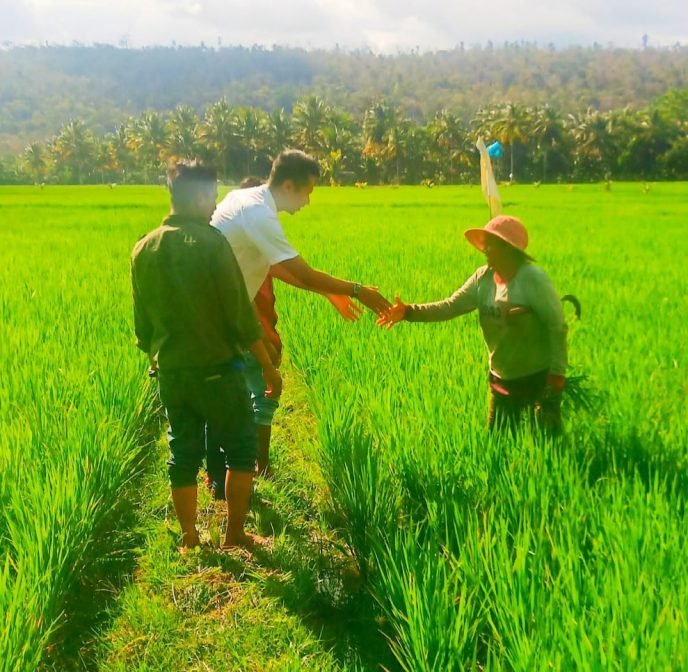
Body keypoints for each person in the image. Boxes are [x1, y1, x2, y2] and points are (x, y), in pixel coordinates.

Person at [205, 151, 391, 496]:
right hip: (217, 321)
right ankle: (232, 497)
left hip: (218, 314)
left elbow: (273, 265)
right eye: (307, 192)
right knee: (231, 405)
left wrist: (325, 292)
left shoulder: (245, 199)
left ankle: (220, 479)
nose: (308, 201)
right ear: (288, 185)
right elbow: (300, 270)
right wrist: (356, 289)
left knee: (224, 399)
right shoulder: (258, 212)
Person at [131, 160, 282, 550]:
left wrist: (157, 358)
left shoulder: (144, 248)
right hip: (218, 369)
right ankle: (234, 535)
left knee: (182, 451)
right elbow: (239, 313)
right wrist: (266, 365)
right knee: (241, 449)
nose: (215, 204)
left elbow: (142, 324)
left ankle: (189, 539)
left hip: (172, 371)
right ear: (199, 197)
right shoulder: (214, 244)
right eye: (212, 196)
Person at [377, 215, 567, 435]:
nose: (485, 249)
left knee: (547, 444)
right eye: (485, 244)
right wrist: (409, 311)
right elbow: (450, 306)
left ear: (508, 248)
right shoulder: (483, 278)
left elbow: (557, 326)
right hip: (501, 377)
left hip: (537, 378)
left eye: (491, 244)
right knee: (499, 444)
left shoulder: (532, 279)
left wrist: (556, 377)